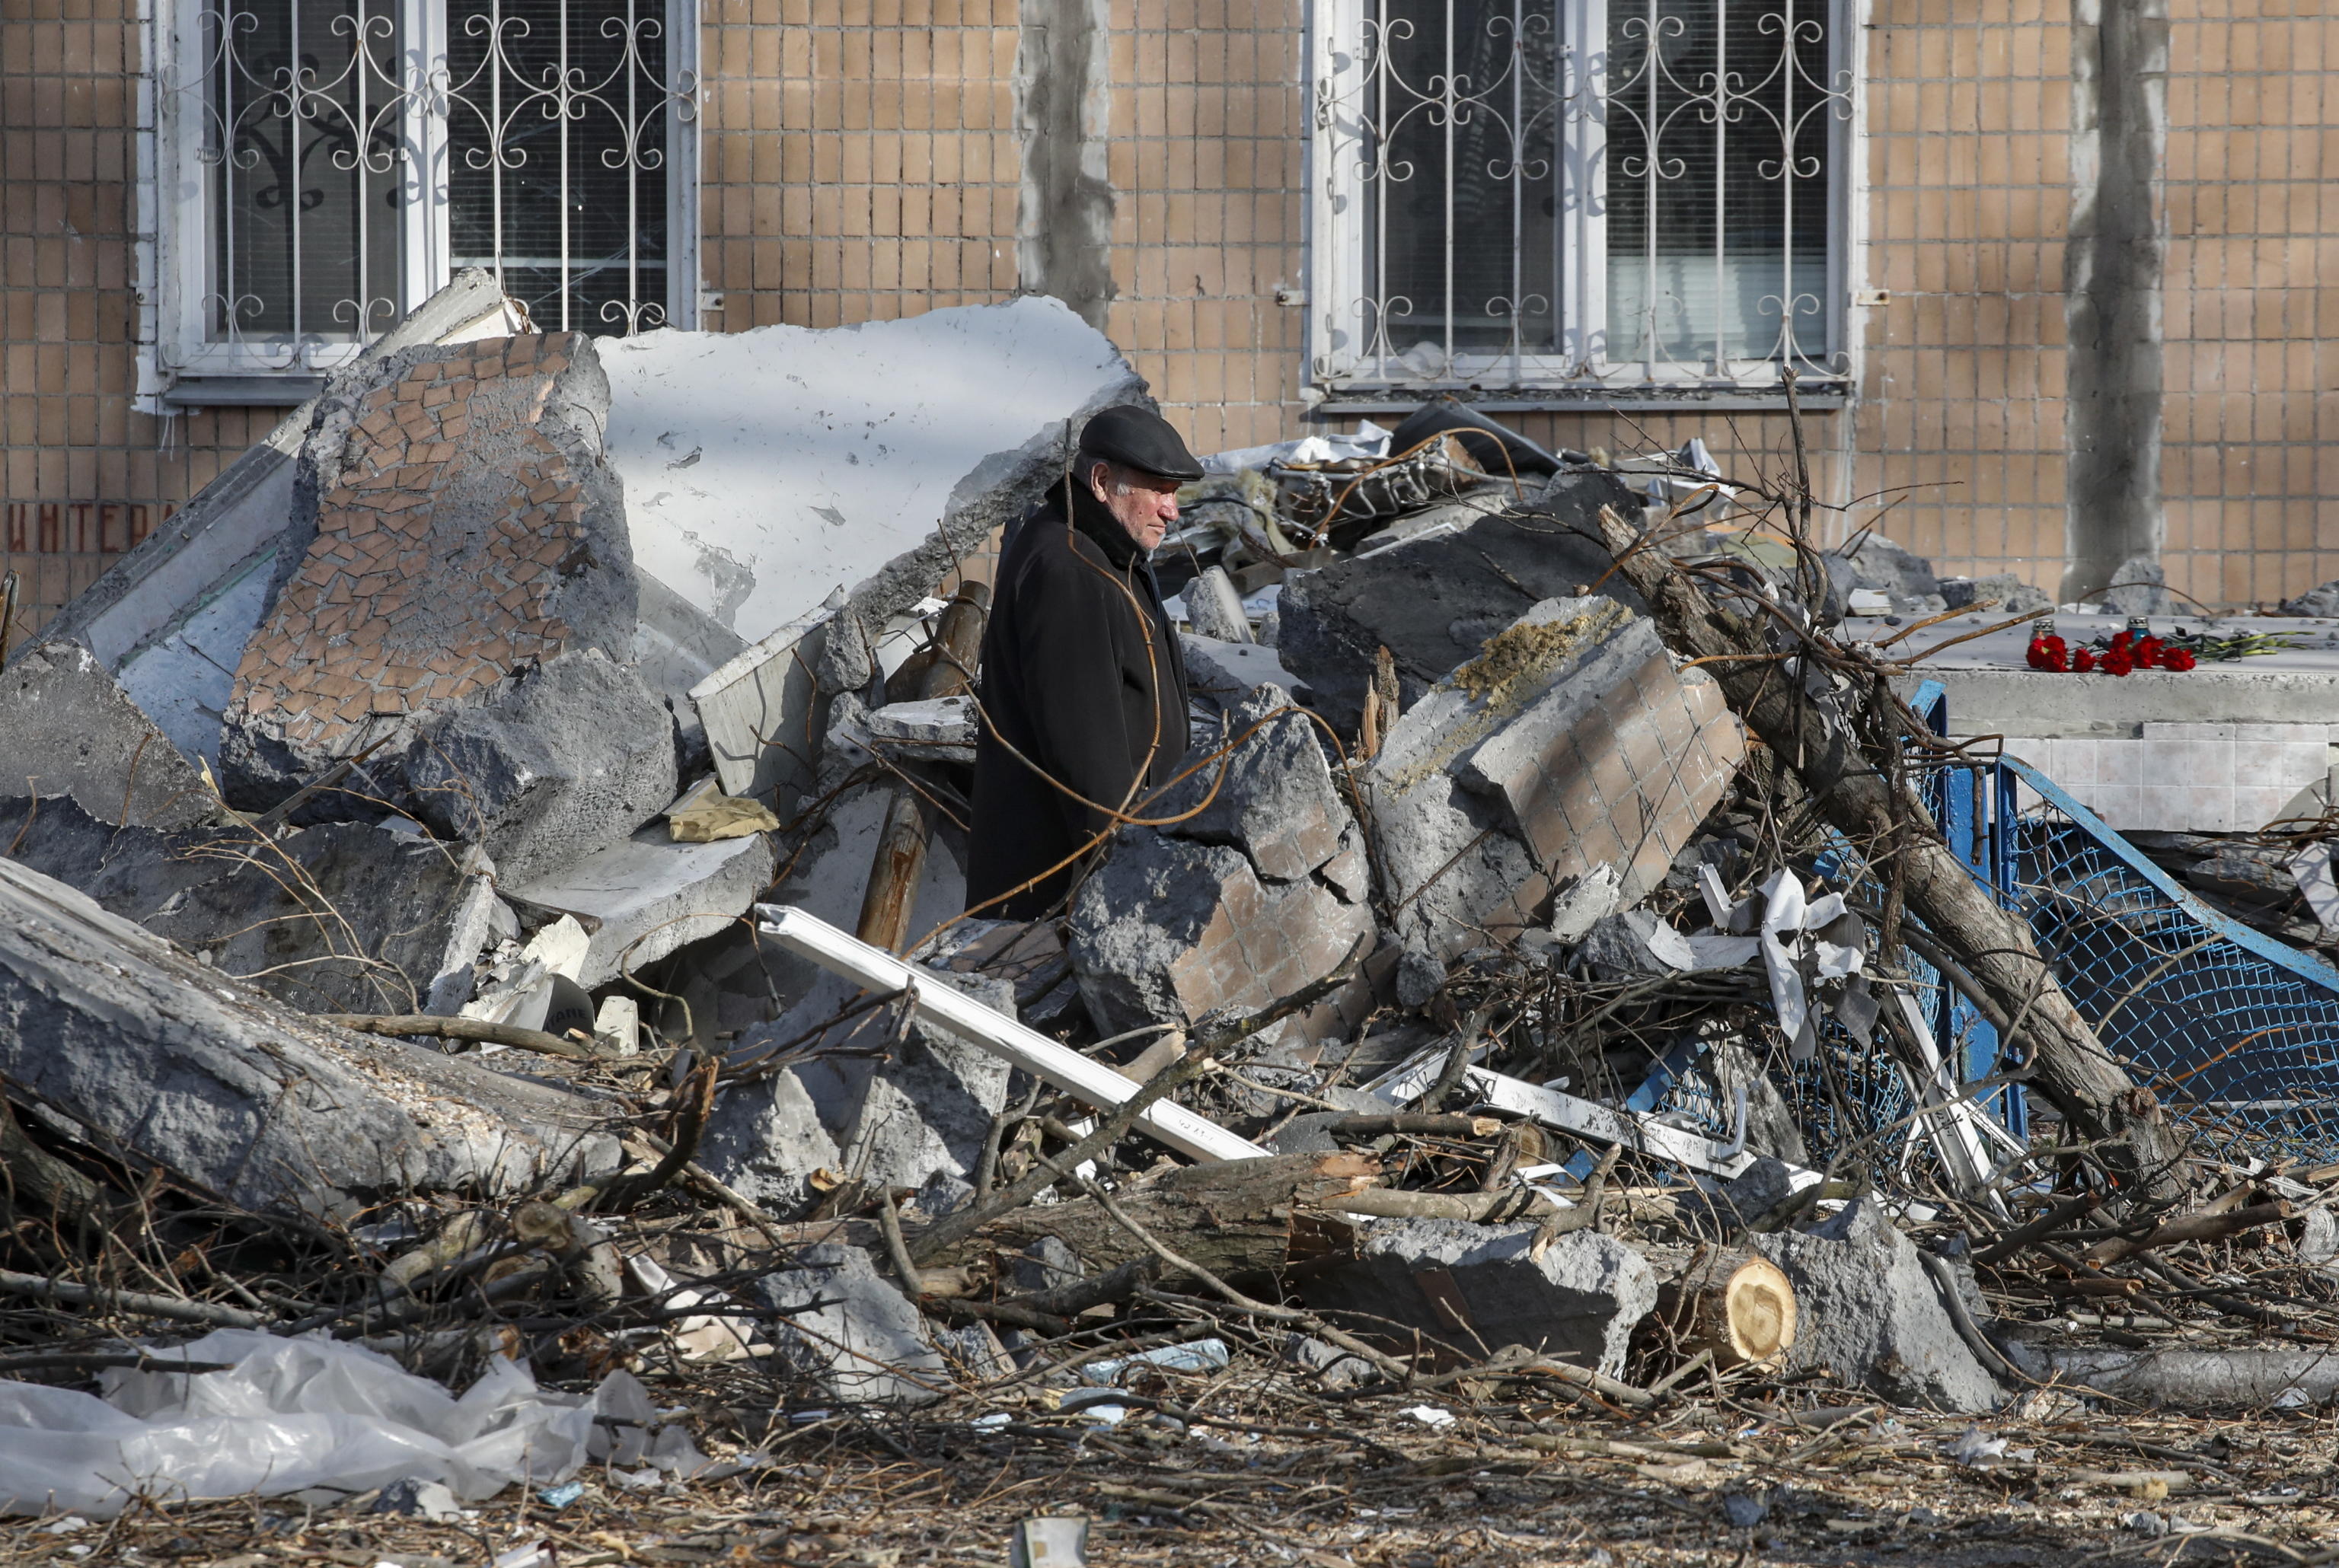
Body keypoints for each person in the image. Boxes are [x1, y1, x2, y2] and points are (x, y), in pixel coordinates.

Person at [965, 406, 1201, 919]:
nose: (1172, 511)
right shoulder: (1068, 570)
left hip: (1094, 884)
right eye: (1158, 491)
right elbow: (1087, 760)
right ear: (1101, 481)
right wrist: (1131, 886)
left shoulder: (1107, 555)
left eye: (1175, 494)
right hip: (1057, 899)